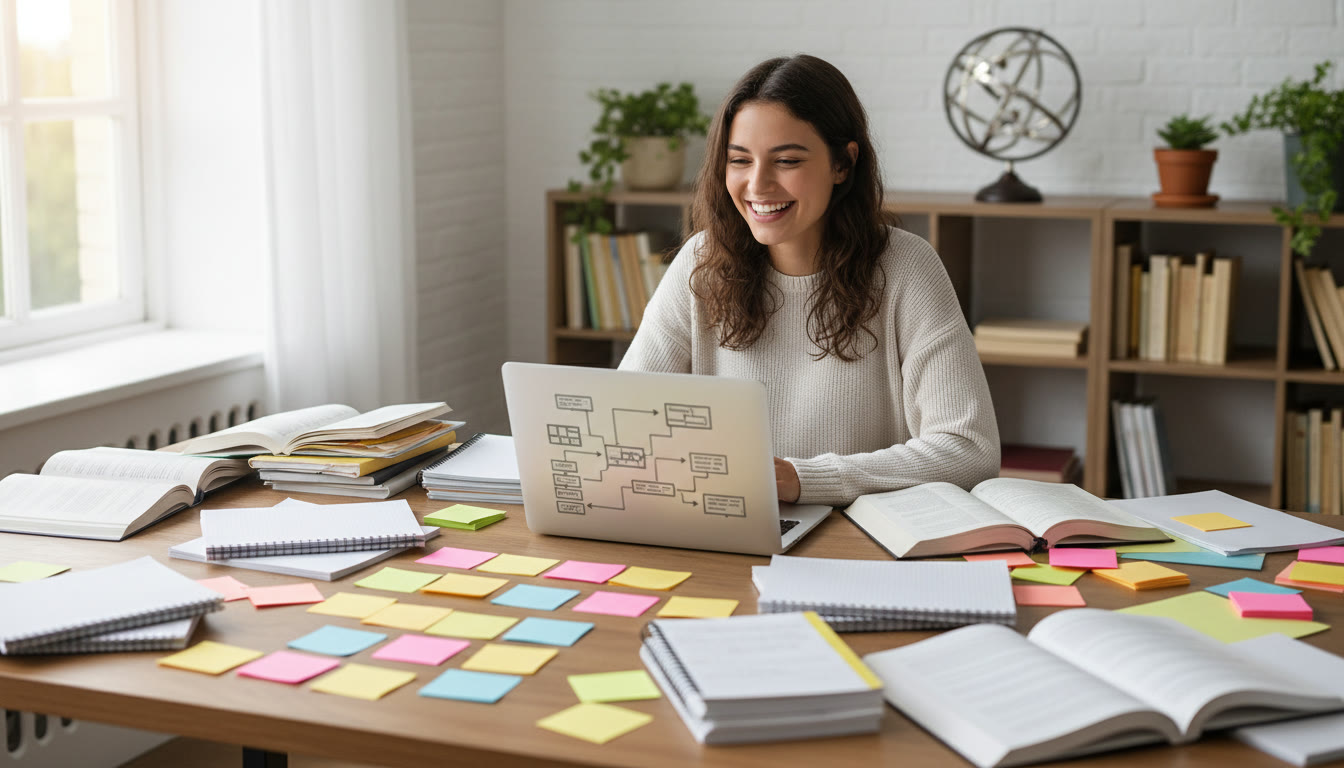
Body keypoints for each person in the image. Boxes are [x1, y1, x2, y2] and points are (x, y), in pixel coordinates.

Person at [618, 54, 1000, 508]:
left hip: (861, 541)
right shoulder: (700, 263)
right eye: (740, 160)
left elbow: (970, 450)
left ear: (843, 163)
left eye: (787, 161)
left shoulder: (906, 268)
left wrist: (804, 479)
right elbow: (626, 420)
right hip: (730, 525)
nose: (757, 185)